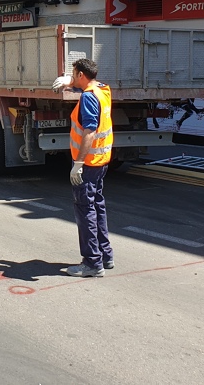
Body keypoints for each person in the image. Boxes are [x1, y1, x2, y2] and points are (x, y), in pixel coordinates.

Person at [52, 58, 115, 278]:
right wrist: (70, 81)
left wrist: (77, 164)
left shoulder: (88, 98)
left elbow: (89, 132)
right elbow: (87, 81)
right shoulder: (103, 90)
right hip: (101, 161)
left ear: (81, 74)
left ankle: (92, 263)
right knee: (97, 205)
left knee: (85, 209)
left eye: (73, 72)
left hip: (87, 164)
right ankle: (105, 256)